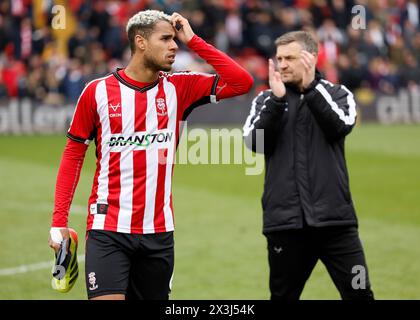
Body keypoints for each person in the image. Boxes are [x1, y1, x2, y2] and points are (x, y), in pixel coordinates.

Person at [48, 10, 253, 300]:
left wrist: (194, 40)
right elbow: (72, 155)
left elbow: (242, 82)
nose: (174, 46)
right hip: (108, 229)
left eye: (175, 39)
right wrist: (59, 221)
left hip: (158, 231)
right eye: (166, 39)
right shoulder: (97, 92)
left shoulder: (180, 87)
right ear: (141, 42)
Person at [243, 31, 374, 300]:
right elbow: (254, 143)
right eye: (279, 58)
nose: (283, 64)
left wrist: (312, 88)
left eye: (290, 57)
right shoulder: (266, 100)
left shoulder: (338, 94)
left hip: (336, 223)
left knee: (361, 294)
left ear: (310, 57)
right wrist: (277, 103)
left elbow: (340, 126)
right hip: (285, 225)